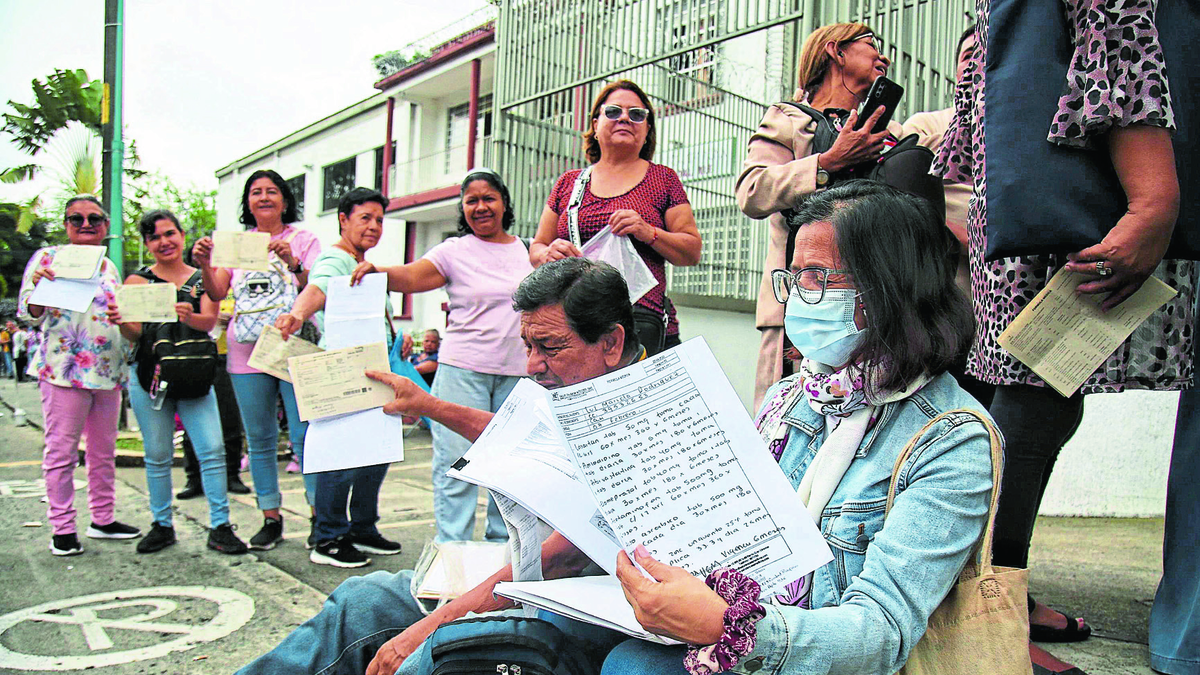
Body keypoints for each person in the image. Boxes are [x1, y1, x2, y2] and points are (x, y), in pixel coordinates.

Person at [240, 185, 998, 675]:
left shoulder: (950, 438)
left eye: (814, 279)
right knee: (372, 600)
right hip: (647, 601)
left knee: (575, 662)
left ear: (889, 287)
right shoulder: (794, 396)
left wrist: (733, 625)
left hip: (748, 642)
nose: (795, 299)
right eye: (790, 277)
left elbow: (880, 630)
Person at [936, 2, 1194, 671]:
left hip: (1033, 186)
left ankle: (993, 594)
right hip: (1084, 186)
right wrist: (1155, 197)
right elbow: (1116, 29)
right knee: (1037, 394)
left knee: (1032, 394)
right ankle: (983, 612)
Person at [236, 257, 646, 675]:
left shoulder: (648, 416)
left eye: (550, 347)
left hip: (580, 616)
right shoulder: (581, 387)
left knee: (424, 658)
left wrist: (422, 631)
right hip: (531, 584)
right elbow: (523, 439)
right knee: (363, 600)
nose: (531, 365)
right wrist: (427, 405)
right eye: (527, 346)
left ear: (611, 343)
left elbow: (562, 560)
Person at [350, 168, 533, 543]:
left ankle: (506, 553)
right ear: (463, 208)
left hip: (521, 374)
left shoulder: (528, 250)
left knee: (512, 470)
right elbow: (413, 277)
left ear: (504, 203)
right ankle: (453, 554)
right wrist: (377, 271)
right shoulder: (454, 250)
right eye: (471, 201)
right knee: (457, 467)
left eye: (489, 198)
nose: (480, 207)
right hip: (462, 370)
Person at [736, 22, 902, 409]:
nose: (884, 57)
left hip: (871, 308)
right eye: (870, 44)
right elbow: (751, 192)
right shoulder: (788, 119)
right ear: (836, 51)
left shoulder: (886, 133)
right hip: (798, 307)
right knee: (787, 422)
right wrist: (827, 163)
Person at [191, 169, 322, 550]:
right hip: (245, 352)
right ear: (247, 202)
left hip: (292, 348)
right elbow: (216, 291)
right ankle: (270, 517)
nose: (263, 198)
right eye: (255, 192)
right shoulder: (235, 244)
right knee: (260, 439)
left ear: (285, 199)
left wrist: (293, 262)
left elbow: (317, 285)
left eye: (271, 191)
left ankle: (318, 517)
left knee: (305, 437)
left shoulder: (304, 238)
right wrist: (203, 262)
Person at [275, 187, 403, 567]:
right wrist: (297, 315)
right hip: (346, 372)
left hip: (375, 370)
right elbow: (318, 288)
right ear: (343, 220)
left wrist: (398, 336)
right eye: (365, 218)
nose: (374, 226)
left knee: (375, 453)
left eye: (380, 219)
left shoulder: (363, 263)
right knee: (341, 456)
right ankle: (327, 537)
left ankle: (362, 527)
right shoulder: (335, 259)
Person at [108, 209, 248, 555]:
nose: (164, 242)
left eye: (170, 233)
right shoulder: (137, 282)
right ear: (146, 244)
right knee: (157, 454)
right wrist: (119, 320)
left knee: (212, 450)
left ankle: (220, 525)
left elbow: (210, 321)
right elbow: (135, 334)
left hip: (196, 375)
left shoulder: (201, 278)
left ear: (182, 235)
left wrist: (190, 315)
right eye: (155, 237)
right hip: (150, 377)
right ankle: (161, 524)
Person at [531, 79, 702, 356]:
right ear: (595, 124)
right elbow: (537, 247)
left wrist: (649, 232)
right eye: (613, 111)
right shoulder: (569, 183)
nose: (624, 118)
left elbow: (691, 251)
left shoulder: (663, 179)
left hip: (639, 324)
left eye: (637, 114)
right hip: (576, 323)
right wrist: (548, 254)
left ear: (647, 130)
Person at [17, 195, 142, 556]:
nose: (86, 225)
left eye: (95, 219)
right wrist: (40, 288)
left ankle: (103, 519)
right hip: (64, 370)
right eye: (77, 219)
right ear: (66, 225)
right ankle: (62, 528)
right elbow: (30, 313)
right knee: (62, 452)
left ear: (105, 226)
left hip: (107, 371)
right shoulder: (46, 259)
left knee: (103, 452)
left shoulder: (109, 267)